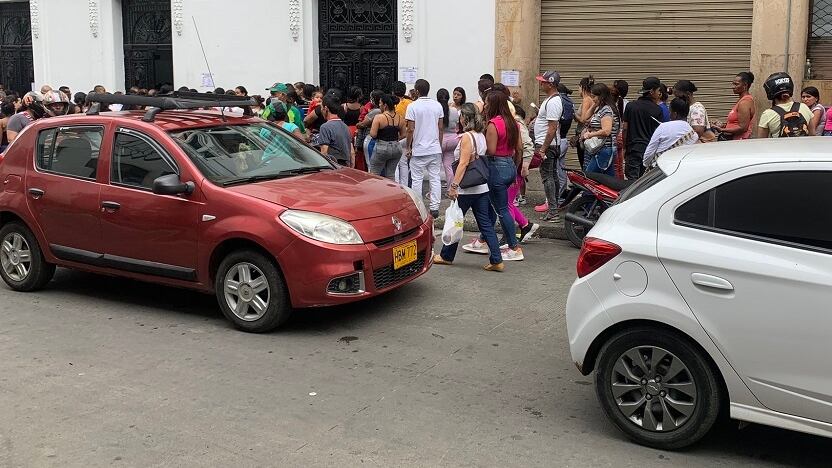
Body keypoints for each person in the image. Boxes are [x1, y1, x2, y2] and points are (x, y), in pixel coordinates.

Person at [433, 103, 505, 273]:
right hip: (480, 188)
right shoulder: (480, 135)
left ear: (465, 117)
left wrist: (454, 186)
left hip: (466, 189)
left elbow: (464, 163)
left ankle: (446, 256)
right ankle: (496, 259)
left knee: (455, 222)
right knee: (486, 224)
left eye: (460, 116)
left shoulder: (467, 137)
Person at [482, 90, 524, 261]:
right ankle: (490, 239)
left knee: (502, 209)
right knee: (501, 206)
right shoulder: (513, 122)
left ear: (493, 104)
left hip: (496, 166)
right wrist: (515, 165)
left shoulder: (493, 124)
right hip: (509, 165)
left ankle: (514, 246)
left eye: (486, 102)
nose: (484, 105)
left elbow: (490, 151)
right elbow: (519, 148)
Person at [405, 79, 444, 218]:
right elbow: (440, 128)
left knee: (417, 179)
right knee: (435, 178)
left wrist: (408, 146)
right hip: (434, 148)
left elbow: (410, 129)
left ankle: (419, 205)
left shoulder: (413, 106)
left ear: (416, 90)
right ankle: (434, 207)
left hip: (419, 148)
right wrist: (439, 144)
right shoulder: (437, 106)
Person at [531, 71, 563, 223]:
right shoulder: (550, 100)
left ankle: (553, 211)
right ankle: (554, 208)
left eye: (543, 82)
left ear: (550, 84)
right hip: (549, 144)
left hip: (547, 145)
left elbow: (552, 128)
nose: (541, 83)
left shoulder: (554, 102)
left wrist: (543, 148)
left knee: (547, 177)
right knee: (553, 176)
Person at [622, 77, 664, 180]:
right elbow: (658, 133)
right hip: (649, 150)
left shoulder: (630, 106)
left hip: (633, 149)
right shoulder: (657, 110)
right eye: (658, 90)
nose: (659, 93)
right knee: (644, 182)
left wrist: (624, 147)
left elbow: (625, 129)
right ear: (651, 91)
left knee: (631, 181)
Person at [643, 98, 699, 168]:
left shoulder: (663, 127)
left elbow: (649, 153)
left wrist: (646, 164)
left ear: (675, 114)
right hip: (682, 170)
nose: (669, 115)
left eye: (670, 112)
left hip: (661, 170)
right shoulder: (694, 135)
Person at [757, 72, 815, 138]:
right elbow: (812, 135)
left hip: (779, 148)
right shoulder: (804, 107)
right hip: (803, 147)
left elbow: (761, 141)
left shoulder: (767, 114)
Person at [581, 83, 621, 176]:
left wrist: (590, 135)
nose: (592, 99)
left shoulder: (606, 110)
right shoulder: (601, 108)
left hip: (604, 149)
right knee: (608, 179)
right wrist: (594, 105)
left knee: (589, 177)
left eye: (594, 96)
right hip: (603, 149)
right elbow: (585, 118)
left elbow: (606, 131)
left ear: (601, 96)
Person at [369, 94, 406, 179]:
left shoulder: (379, 117)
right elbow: (404, 134)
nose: (379, 105)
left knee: (374, 174)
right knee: (391, 175)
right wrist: (395, 139)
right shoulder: (400, 118)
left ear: (385, 105)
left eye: (380, 103)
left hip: (381, 147)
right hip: (396, 148)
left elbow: (373, 134)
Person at [715, 72, 756, 140]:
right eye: (733, 84)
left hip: (737, 143)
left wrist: (722, 130)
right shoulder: (741, 100)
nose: (733, 87)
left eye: (736, 84)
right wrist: (723, 125)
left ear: (745, 85)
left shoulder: (745, 102)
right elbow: (735, 123)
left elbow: (743, 128)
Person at [318, 96, 355, 166]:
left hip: (334, 167)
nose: (321, 110)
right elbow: (352, 152)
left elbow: (324, 152)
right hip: (345, 167)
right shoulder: (345, 126)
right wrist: (351, 167)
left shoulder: (325, 127)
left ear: (326, 108)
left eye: (321, 108)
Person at [437, 88, 460, 192]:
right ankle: (451, 189)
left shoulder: (436, 110)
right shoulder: (454, 110)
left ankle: (434, 191)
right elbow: (457, 125)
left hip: (440, 139)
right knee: (449, 166)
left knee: (435, 168)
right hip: (453, 139)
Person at [356, 89, 383, 168]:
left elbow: (363, 124)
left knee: (370, 164)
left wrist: (358, 125)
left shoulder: (375, 111)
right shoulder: (385, 110)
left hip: (370, 139)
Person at [393, 81, 413, 186]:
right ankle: (405, 186)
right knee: (404, 163)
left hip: (396, 135)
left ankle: (396, 185)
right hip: (407, 136)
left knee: (395, 164)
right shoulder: (410, 103)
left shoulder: (393, 104)